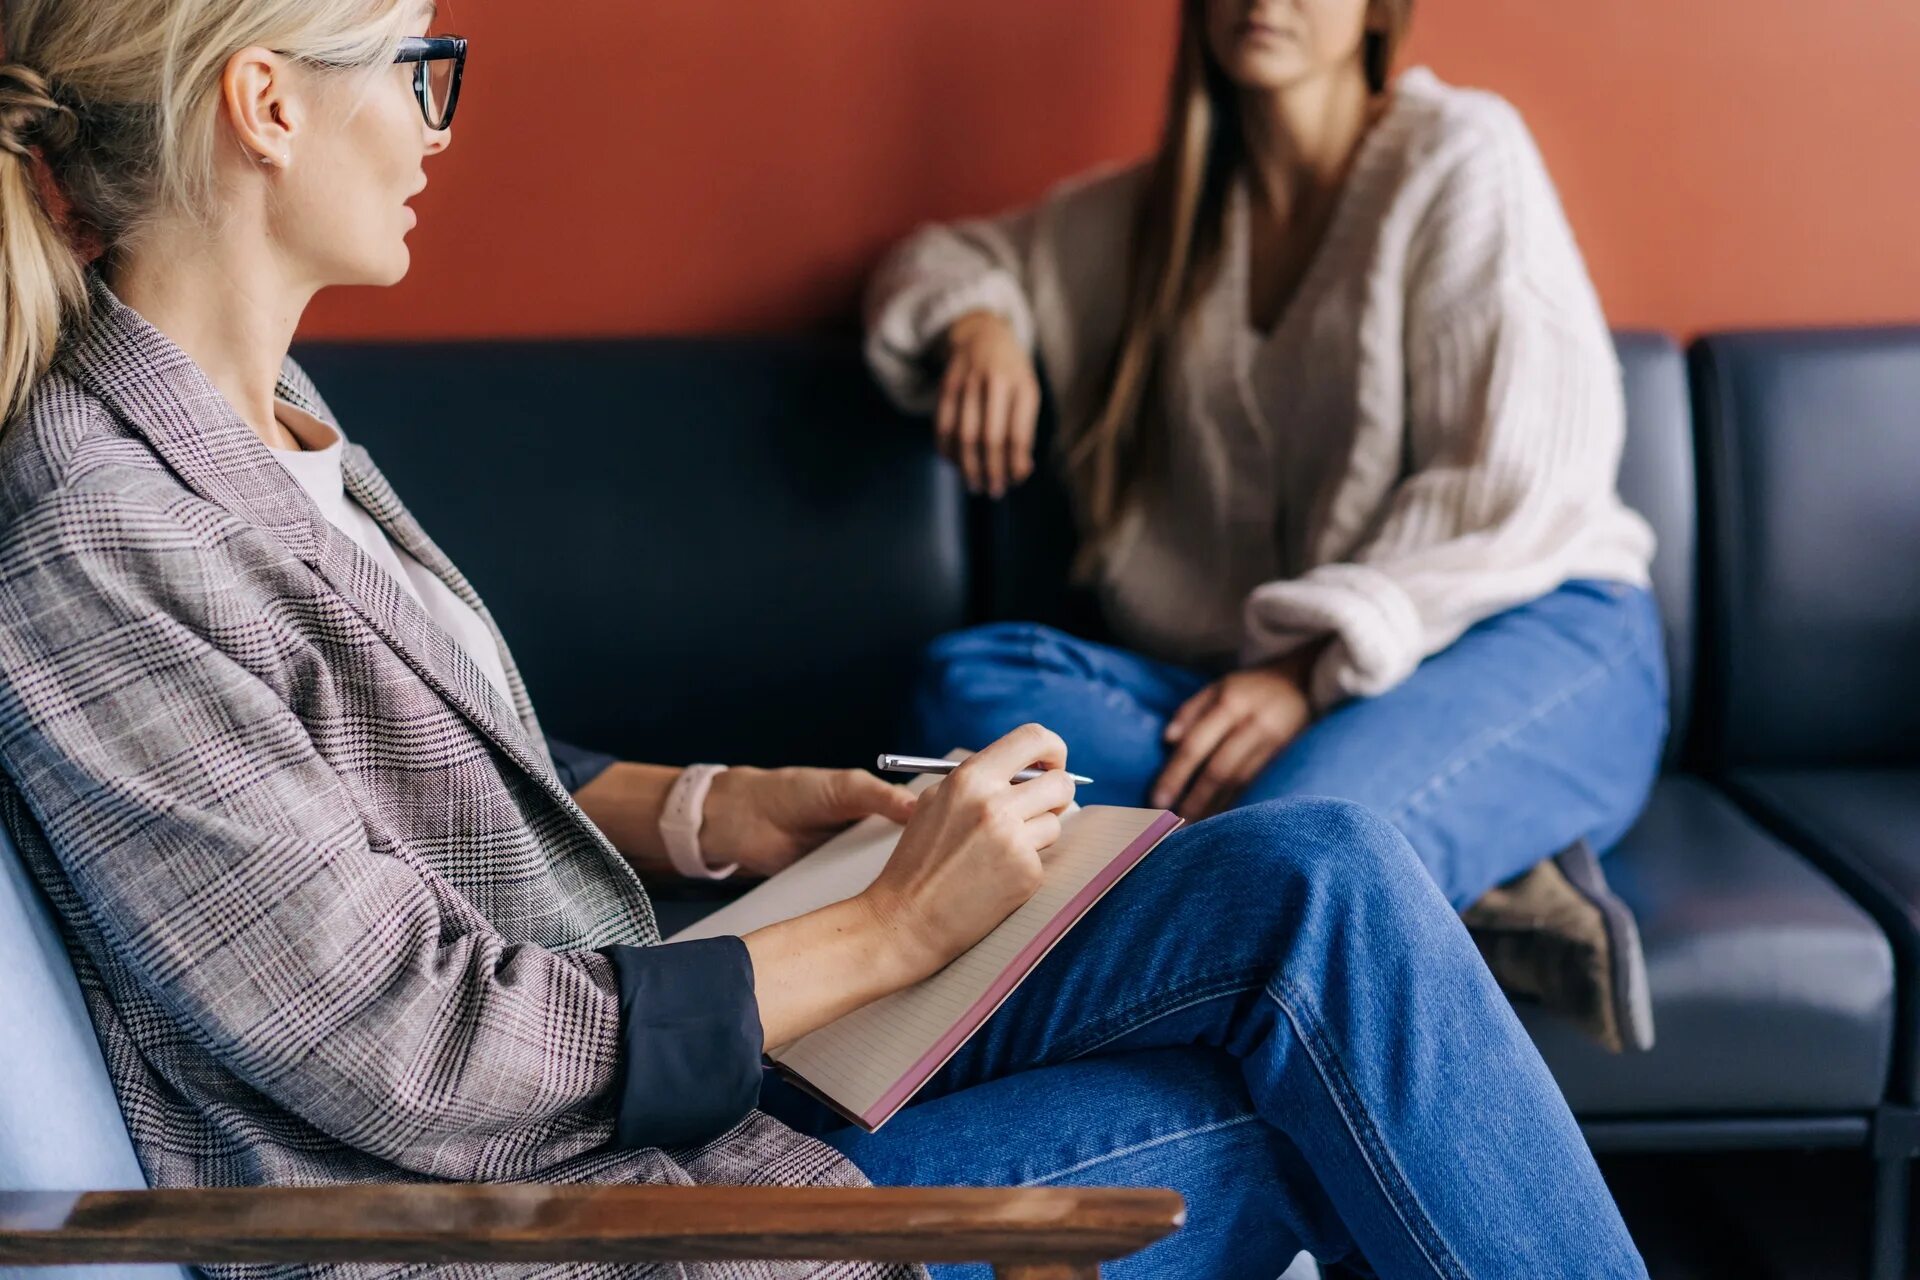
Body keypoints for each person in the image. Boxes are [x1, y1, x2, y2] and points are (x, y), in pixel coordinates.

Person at [0, 0, 1646, 1275]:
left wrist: (725, 804)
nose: (439, 121)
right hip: (578, 1213)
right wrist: (890, 934)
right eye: (423, 67)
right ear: (267, 103)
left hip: (647, 1092)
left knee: (1329, 877)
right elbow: (422, 1051)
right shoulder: (99, 537)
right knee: (1314, 1102)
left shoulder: (265, 423)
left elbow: (428, 772)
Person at [865, 0, 1669, 1039]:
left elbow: (1519, 481)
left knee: (1299, 855)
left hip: (1531, 630)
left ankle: (1380, 844)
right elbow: (936, 261)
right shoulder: (1155, 219)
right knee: (967, 696)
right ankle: (1466, 880)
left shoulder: (1461, 155)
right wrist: (982, 323)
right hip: (1267, 690)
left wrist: (1303, 671)